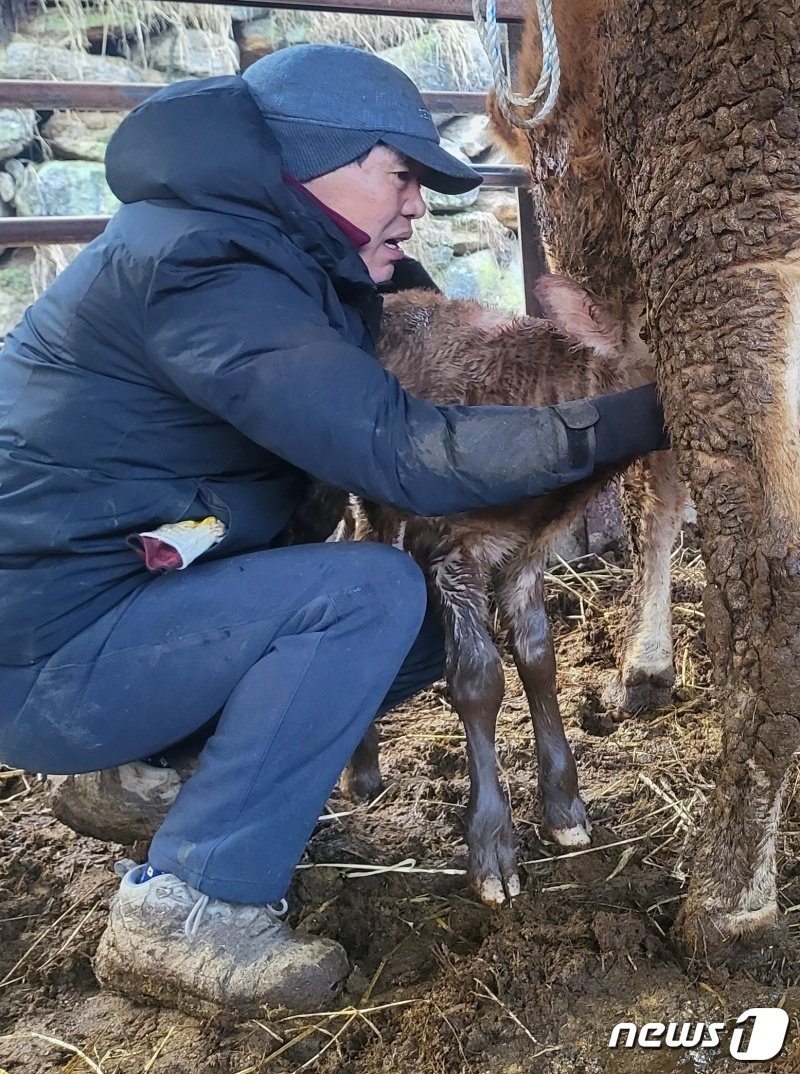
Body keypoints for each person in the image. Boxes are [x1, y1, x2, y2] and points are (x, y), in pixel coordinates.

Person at [0, 43, 668, 1017]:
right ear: (313, 160)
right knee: (373, 590)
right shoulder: (205, 270)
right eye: (400, 176)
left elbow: (397, 358)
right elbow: (396, 454)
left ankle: (155, 769)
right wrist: (647, 412)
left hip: (123, 617)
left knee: (427, 624)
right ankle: (190, 908)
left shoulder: (284, 264)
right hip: (51, 659)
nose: (417, 205)